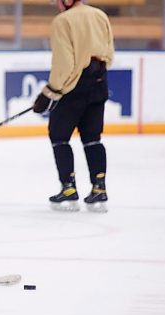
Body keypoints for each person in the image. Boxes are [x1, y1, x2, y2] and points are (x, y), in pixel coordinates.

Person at [33, 0, 114, 213]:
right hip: (99, 83)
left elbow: (64, 64)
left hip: (73, 88)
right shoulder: (99, 15)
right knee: (92, 138)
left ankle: (68, 189)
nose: (57, 5)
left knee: (59, 137)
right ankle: (99, 188)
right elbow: (109, 54)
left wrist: (49, 92)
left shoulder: (63, 20)